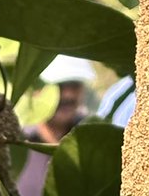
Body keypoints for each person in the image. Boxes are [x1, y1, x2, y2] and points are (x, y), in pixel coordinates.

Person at [18, 56, 95, 196]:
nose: (68, 95)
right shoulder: (16, 141)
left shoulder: (92, 138)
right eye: (60, 86)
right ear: (37, 88)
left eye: (75, 85)